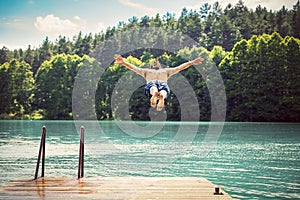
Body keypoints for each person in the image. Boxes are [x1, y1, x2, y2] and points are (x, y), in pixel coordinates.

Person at [114, 54, 203, 111]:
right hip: (163, 82)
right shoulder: (165, 71)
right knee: (164, 91)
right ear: (159, 66)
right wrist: (192, 62)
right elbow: (180, 68)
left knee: (153, 88)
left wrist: (124, 63)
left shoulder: (146, 71)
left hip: (151, 82)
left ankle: (155, 94)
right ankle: (161, 97)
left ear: (151, 66)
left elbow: (133, 68)